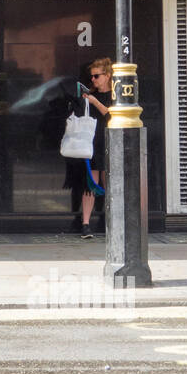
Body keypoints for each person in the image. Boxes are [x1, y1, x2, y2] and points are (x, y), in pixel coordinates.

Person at [72, 57, 113, 239]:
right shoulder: (89, 96)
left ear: (107, 76)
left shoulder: (115, 95)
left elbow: (110, 114)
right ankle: (86, 224)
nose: (94, 80)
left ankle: (113, 222)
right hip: (92, 144)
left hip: (109, 143)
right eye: (92, 77)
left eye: (97, 76)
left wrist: (94, 101)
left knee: (111, 184)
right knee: (91, 184)